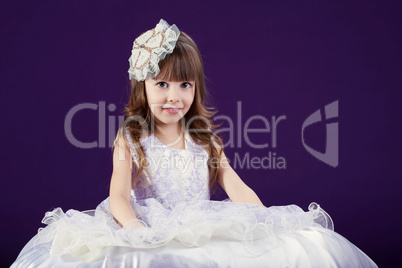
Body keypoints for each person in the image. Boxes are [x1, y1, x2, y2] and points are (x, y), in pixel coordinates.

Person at [11, 19, 378, 267]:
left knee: (292, 246)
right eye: (162, 84)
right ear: (144, 86)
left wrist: (263, 217)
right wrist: (136, 228)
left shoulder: (204, 137)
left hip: (197, 223)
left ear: (196, 88)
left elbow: (233, 182)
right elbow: (119, 195)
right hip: (150, 222)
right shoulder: (133, 136)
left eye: (184, 85)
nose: (174, 96)